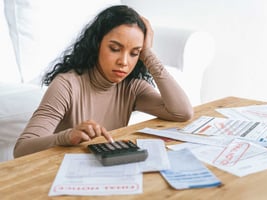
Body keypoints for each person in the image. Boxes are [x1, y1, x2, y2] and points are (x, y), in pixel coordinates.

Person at [13, 5, 193, 158]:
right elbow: (21, 149)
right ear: (96, 44)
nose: (124, 61)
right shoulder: (67, 85)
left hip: (109, 168)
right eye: (115, 49)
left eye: (134, 53)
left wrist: (147, 53)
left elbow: (182, 112)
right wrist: (67, 136)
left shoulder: (132, 87)